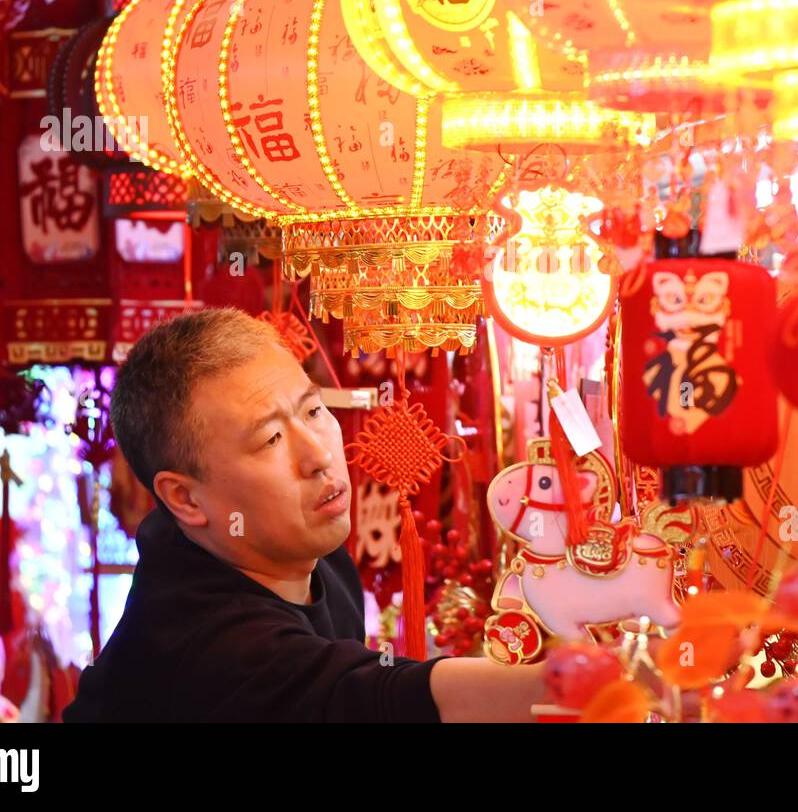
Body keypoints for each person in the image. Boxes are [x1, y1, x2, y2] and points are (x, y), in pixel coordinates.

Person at [63, 308, 545, 722]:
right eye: (271, 439)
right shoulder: (202, 645)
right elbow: (376, 697)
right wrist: (561, 687)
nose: (319, 456)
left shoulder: (304, 550)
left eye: (313, 411)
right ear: (185, 499)